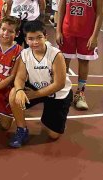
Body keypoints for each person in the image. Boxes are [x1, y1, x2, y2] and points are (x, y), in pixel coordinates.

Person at [9, 20, 72, 148]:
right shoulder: (25, 54)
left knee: (53, 135)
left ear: (46, 37)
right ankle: (22, 130)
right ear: (26, 40)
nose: (35, 42)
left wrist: (35, 95)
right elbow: (19, 77)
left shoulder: (56, 55)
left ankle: (57, 117)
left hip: (57, 93)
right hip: (36, 87)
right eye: (31, 39)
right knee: (14, 95)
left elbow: (59, 84)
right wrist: (20, 90)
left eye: (39, 37)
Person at [56, 0, 103, 110]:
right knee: (64, 62)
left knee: (84, 61)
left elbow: (100, 13)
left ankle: (80, 92)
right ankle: (63, 91)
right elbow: (61, 8)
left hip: (86, 32)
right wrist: (58, 30)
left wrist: (95, 36)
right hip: (68, 30)